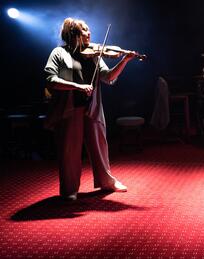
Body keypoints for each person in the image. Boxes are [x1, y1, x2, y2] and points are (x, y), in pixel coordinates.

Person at [44, 17, 137, 201]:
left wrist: (125, 60)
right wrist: (77, 87)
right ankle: (70, 190)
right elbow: (50, 80)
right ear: (73, 34)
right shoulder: (59, 53)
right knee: (70, 151)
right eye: (84, 30)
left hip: (92, 106)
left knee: (100, 145)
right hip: (70, 109)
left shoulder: (94, 54)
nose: (89, 33)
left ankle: (106, 181)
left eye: (88, 29)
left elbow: (109, 77)